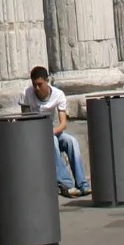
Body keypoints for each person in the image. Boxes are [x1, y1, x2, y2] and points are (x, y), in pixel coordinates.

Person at [20, 67, 90, 196]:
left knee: (71, 142)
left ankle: (82, 184)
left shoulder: (58, 95)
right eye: (34, 84)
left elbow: (63, 123)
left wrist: (52, 131)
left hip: (52, 129)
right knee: (52, 142)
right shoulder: (26, 94)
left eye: (40, 84)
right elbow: (25, 118)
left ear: (47, 81)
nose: (37, 88)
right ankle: (66, 184)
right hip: (36, 132)